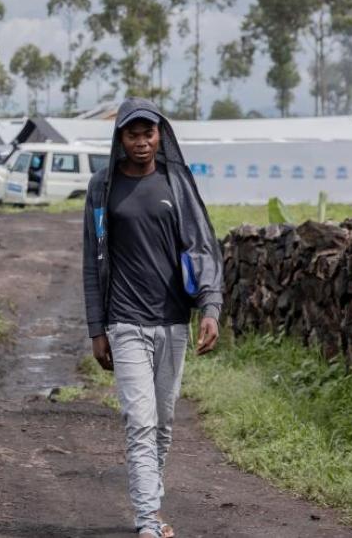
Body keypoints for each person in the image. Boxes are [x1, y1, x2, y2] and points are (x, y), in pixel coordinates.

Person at [82, 98, 223, 538]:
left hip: (172, 322)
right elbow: (93, 259)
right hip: (124, 322)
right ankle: (147, 519)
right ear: (119, 138)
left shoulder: (177, 183)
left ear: (160, 135)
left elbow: (202, 247)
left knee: (162, 423)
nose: (141, 142)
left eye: (149, 133)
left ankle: (151, 503)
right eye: (132, 134)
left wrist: (211, 306)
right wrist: (95, 328)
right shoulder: (103, 187)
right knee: (139, 421)